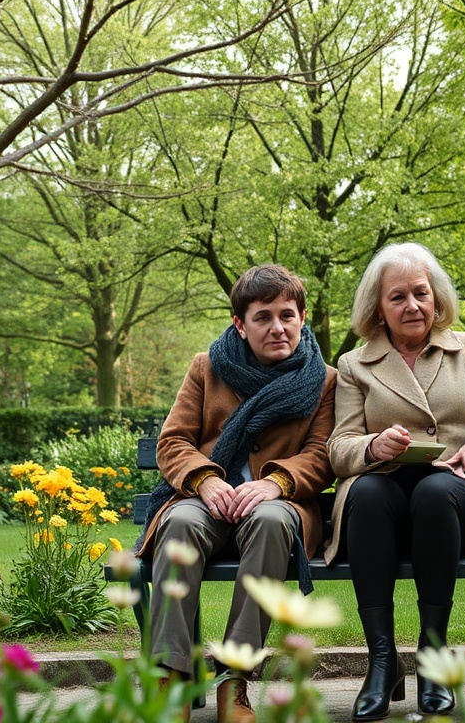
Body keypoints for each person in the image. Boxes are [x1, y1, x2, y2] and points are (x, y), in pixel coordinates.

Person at [324, 242, 465, 722]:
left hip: (458, 492)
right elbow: (339, 448)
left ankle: (433, 656)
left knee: (436, 493)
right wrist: (373, 446)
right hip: (386, 498)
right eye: (397, 297)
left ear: (436, 298)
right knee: (368, 493)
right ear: (378, 307)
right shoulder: (356, 365)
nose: (412, 305)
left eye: (421, 293)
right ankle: (381, 661)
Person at [135, 264, 337, 723]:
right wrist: (206, 481)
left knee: (268, 521)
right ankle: (171, 681)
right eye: (263, 317)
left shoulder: (324, 379)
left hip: (279, 506)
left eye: (287, 315)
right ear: (240, 325)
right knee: (181, 523)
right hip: (204, 501)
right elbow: (174, 442)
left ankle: (234, 683)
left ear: (302, 317)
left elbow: (322, 454)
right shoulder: (207, 367)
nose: (277, 327)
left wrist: (274, 483)